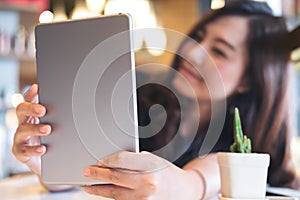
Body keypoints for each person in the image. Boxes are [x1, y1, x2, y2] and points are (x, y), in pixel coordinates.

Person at [12, 0, 300, 199]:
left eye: (220, 51)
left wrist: (188, 187)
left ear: (251, 78)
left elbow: (214, 172)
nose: (195, 52)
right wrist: (47, 163)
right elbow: (89, 177)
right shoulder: (140, 101)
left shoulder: (246, 148)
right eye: (198, 36)